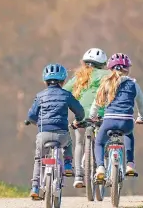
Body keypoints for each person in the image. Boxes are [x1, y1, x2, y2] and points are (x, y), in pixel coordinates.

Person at [28, 63, 85, 198]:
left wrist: (34, 122)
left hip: (43, 135)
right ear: (63, 80)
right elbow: (80, 111)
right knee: (69, 142)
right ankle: (67, 164)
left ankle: (35, 187)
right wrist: (79, 119)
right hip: (61, 134)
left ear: (45, 80)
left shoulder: (40, 96)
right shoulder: (66, 95)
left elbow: (31, 115)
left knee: (39, 159)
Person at [89, 53, 143, 178]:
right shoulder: (134, 84)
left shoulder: (106, 83)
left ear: (110, 68)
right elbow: (141, 103)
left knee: (99, 142)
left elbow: (97, 103)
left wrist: (92, 116)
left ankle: (101, 167)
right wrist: (141, 117)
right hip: (126, 122)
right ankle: (130, 164)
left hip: (109, 121)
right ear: (127, 69)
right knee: (129, 135)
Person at [63, 48, 110, 188]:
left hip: (81, 115)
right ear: (103, 63)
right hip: (101, 115)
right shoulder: (108, 75)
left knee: (78, 143)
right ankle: (106, 167)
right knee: (103, 141)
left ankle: (78, 176)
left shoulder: (79, 76)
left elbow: (64, 92)